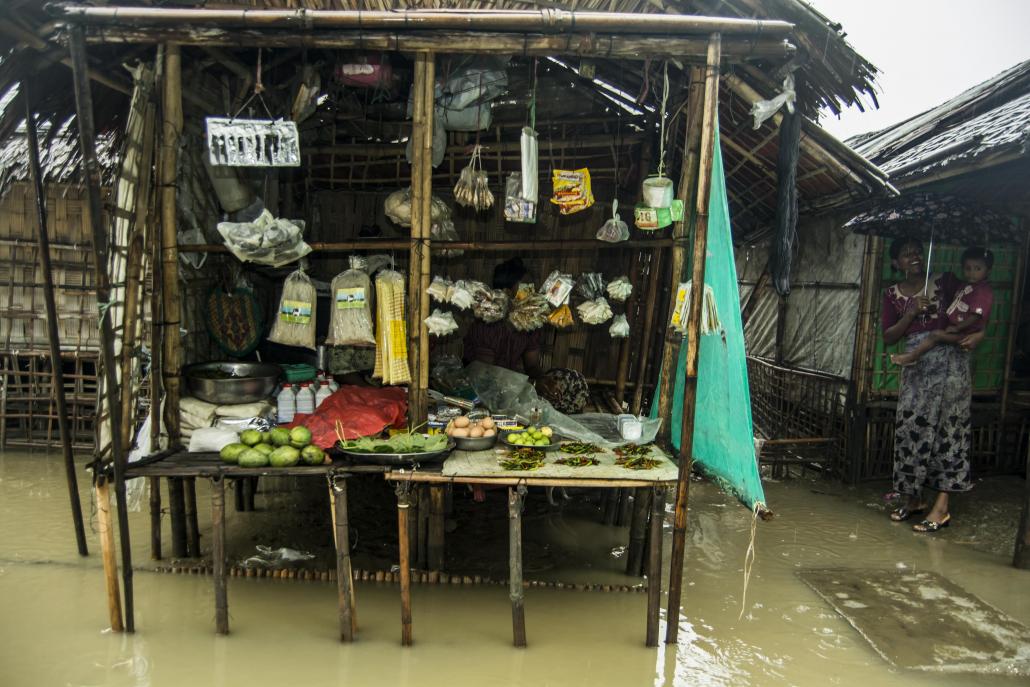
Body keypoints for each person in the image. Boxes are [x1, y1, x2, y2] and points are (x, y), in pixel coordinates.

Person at [881, 238, 983, 533]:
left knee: (948, 430)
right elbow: (888, 337)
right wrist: (911, 311)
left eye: (916, 252)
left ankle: (941, 508)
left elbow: (974, 308)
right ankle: (912, 499)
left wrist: (981, 333)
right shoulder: (892, 295)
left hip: (951, 363)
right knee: (912, 428)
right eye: (905, 253)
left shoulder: (945, 281)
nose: (912, 256)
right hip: (917, 367)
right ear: (895, 263)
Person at [463, 257, 591, 415]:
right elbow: (486, 376)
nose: (532, 292)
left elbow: (532, 365)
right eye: (526, 287)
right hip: (481, 390)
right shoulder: (486, 325)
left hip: (512, 385)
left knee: (571, 382)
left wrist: (543, 380)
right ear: (506, 293)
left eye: (532, 287)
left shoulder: (530, 325)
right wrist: (532, 384)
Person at [891, 247, 994, 367]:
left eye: (978, 269)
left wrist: (962, 329)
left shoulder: (981, 291)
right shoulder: (965, 286)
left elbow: (977, 315)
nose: (972, 273)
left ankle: (912, 357)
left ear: (988, 271)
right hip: (956, 331)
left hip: (965, 333)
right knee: (936, 336)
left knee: (935, 335)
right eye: (967, 268)